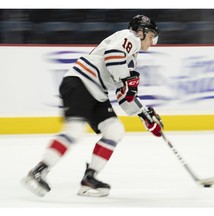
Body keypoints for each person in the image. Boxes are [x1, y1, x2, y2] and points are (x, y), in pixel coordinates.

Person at [21, 15, 163, 197]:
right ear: (141, 32)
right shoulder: (130, 37)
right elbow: (112, 56)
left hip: (97, 92)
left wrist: (143, 114)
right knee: (75, 130)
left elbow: (124, 96)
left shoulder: (132, 59)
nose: (152, 42)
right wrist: (127, 80)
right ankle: (39, 170)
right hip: (80, 82)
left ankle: (89, 179)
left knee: (115, 130)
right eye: (151, 36)